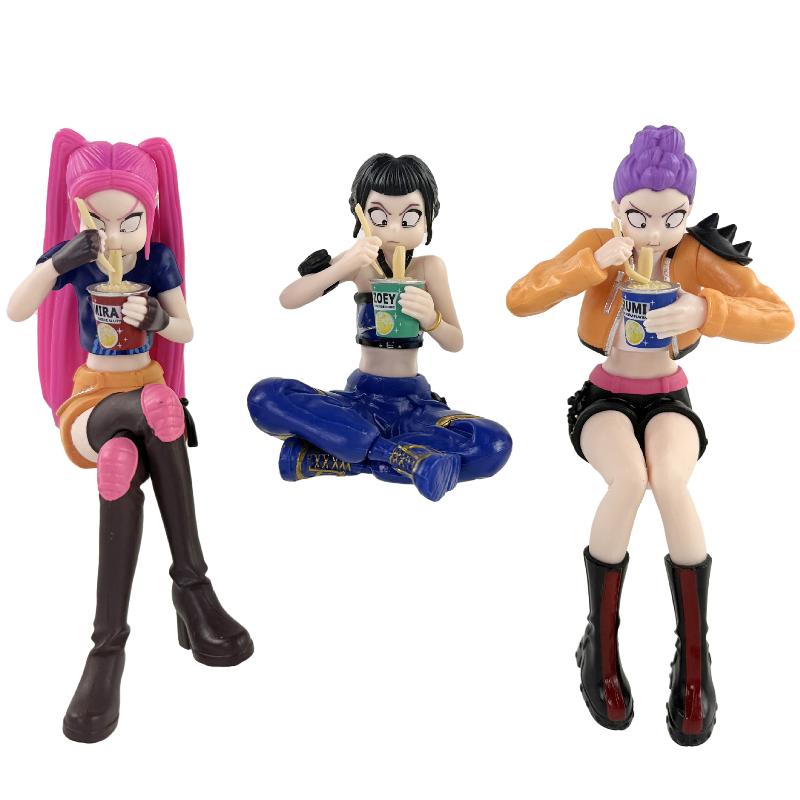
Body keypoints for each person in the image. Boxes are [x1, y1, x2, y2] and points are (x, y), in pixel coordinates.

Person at [506, 125, 793, 745]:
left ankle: (694, 662)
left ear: (688, 211)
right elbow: (519, 300)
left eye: (672, 217)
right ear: (617, 208)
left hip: (669, 398)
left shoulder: (694, 256)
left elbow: (780, 318)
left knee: (670, 483)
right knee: (630, 479)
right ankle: (600, 644)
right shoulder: (599, 245)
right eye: (639, 216)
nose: (655, 232)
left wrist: (708, 310)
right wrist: (591, 266)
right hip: (605, 396)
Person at [7, 129, 253, 743]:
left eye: (130, 221)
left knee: (124, 456)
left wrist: (161, 318)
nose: (114, 237)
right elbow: (16, 308)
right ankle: (194, 589)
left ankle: (106, 649)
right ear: (79, 216)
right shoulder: (76, 262)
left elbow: (187, 330)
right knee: (153, 408)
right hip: (90, 400)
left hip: (147, 394)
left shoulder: (156, 263)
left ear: (151, 214)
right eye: (100, 221)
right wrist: (59, 261)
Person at [248, 153, 512, 502]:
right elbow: (289, 298)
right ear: (360, 216)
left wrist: (431, 319)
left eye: (410, 217)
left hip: (414, 406)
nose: (394, 229)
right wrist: (342, 265)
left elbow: (455, 341)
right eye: (379, 217)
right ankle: (403, 458)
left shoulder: (429, 268)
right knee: (265, 396)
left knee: (493, 443)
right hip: (359, 401)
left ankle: (336, 457)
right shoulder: (360, 265)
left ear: (428, 219)